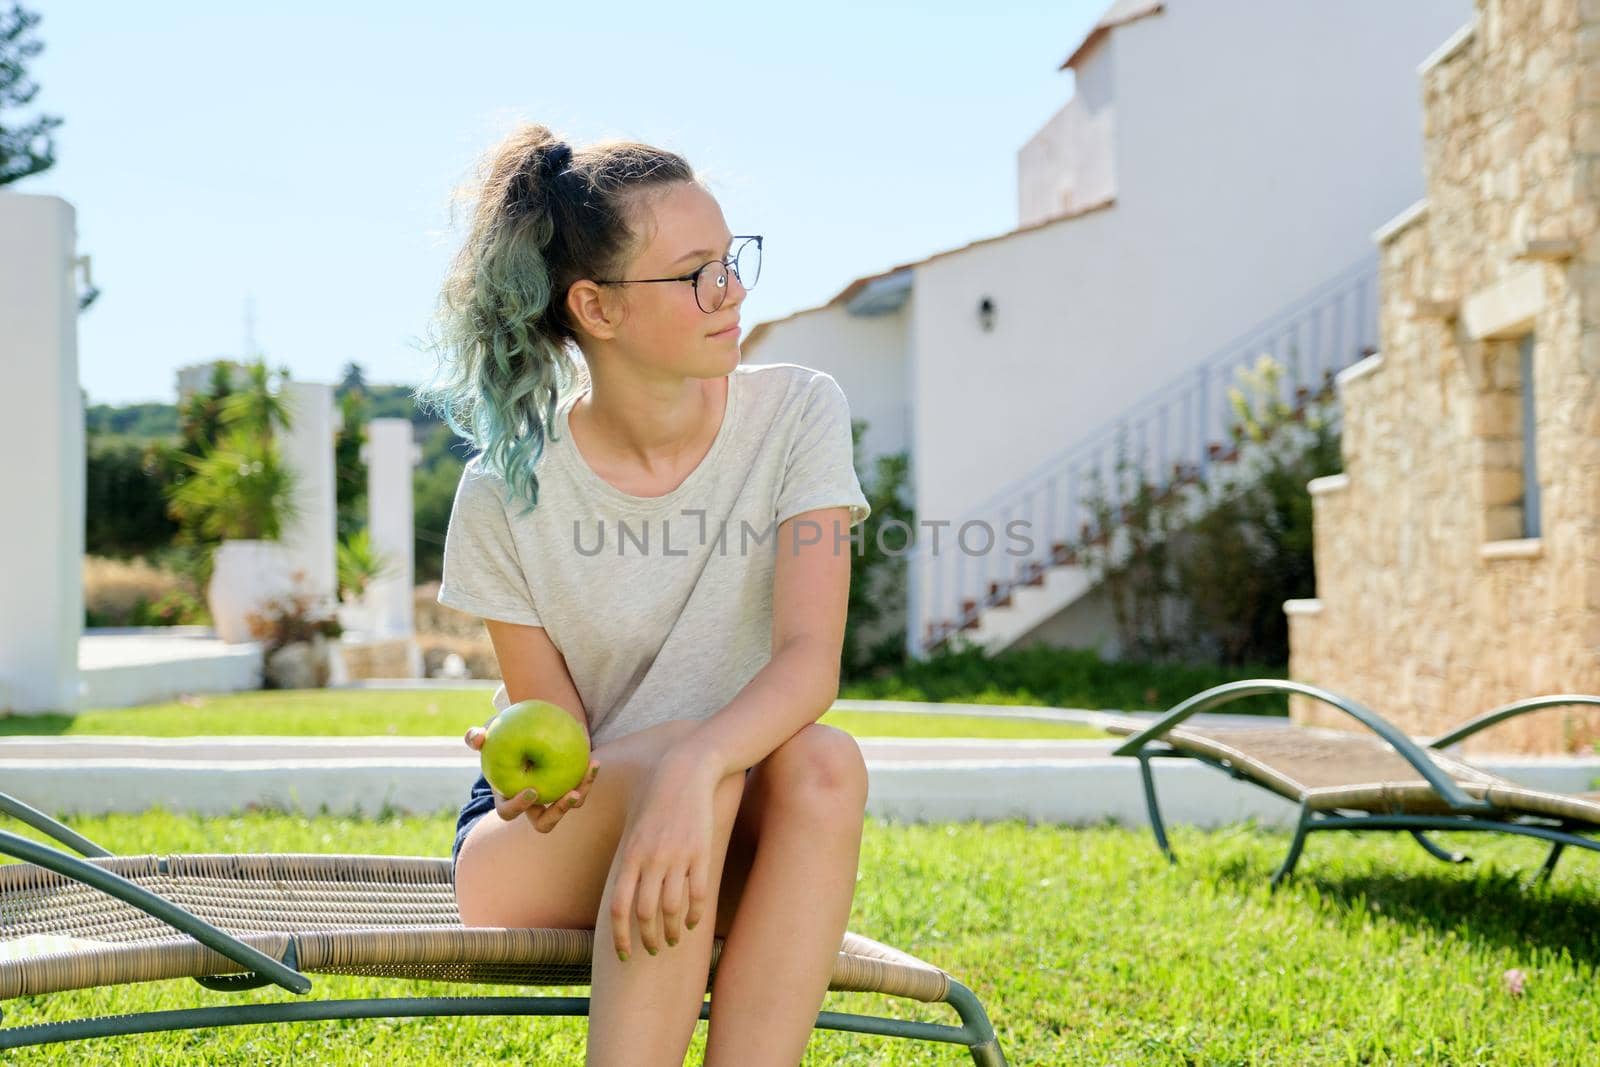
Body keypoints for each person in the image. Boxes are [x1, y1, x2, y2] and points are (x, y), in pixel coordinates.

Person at [414, 122, 874, 1067]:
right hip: (548, 839)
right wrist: (563, 768)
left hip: (721, 807)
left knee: (826, 765)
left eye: (732, 257)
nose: (732, 290)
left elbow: (808, 661)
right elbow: (560, 739)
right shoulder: (506, 491)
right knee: (684, 770)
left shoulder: (799, 415)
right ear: (596, 307)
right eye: (696, 271)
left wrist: (695, 765)